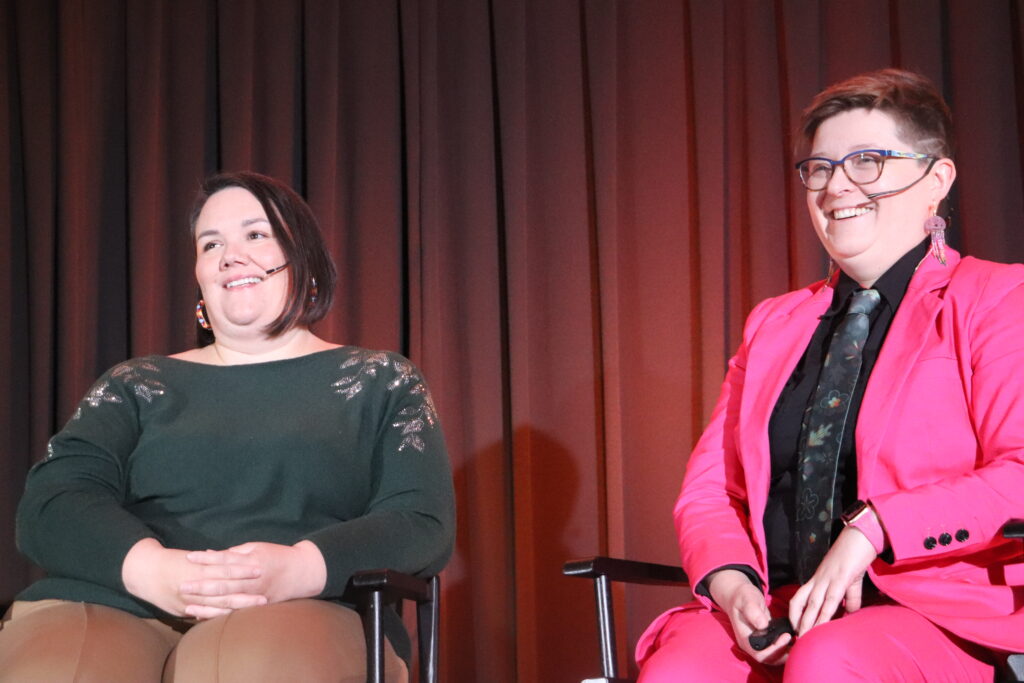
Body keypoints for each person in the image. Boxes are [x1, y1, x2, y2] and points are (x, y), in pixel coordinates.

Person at [635, 69, 1024, 682]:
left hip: (930, 611)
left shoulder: (998, 298)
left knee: (828, 660)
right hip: (783, 605)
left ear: (936, 180)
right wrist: (731, 579)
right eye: (819, 168)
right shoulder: (774, 323)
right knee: (681, 668)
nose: (836, 185)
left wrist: (876, 526)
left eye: (866, 161)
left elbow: (1020, 472)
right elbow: (711, 490)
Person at [0, 171, 455, 682]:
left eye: (256, 234)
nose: (229, 255)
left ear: (304, 260)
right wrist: (155, 571)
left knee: (252, 664)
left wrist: (295, 569)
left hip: (308, 603)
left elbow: (421, 521)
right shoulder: (136, 383)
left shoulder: (381, 380)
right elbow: (52, 502)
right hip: (119, 597)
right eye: (210, 243)